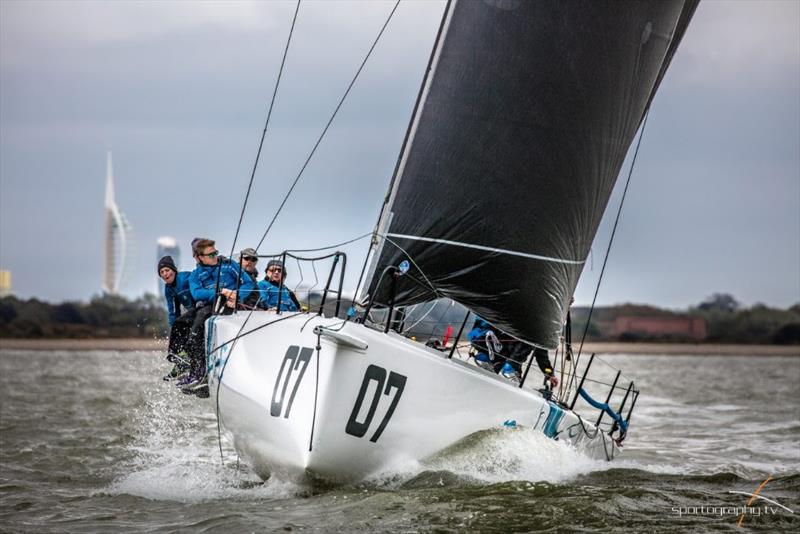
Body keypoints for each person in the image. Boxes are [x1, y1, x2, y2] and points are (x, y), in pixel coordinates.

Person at [180, 238, 256, 395]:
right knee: (188, 324)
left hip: (234, 306)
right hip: (211, 307)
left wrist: (236, 295)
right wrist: (221, 292)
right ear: (199, 257)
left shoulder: (229, 265)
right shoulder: (195, 275)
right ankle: (198, 371)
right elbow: (196, 293)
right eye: (210, 254)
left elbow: (248, 283)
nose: (215, 256)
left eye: (215, 253)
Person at [468, 316, 558, 387]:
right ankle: (509, 369)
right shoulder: (536, 321)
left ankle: (483, 356)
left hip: (485, 344)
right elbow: (541, 351)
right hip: (505, 355)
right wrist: (549, 374)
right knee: (534, 335)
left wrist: (549, 373)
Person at [157, 255, 196, 380]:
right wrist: (173, 323)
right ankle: (181, 361)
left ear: (174, 270)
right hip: (192, 313)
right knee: (178, 326)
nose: (165, 274)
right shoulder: (168, 288)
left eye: (167, 270)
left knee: (180, 324)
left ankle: (177, 355)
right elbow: (172, 310)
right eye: (162, 272)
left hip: (202, 308)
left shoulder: (185, 278)